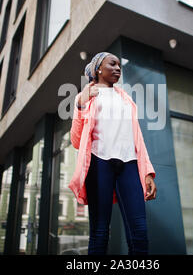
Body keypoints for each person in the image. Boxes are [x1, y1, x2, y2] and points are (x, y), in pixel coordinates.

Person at [68, 52, 157, 255]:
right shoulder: (86, 97)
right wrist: (81, 104)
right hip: (99, 163)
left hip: (129, 165)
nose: (118, 68)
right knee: (100, 232)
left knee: (140, 232)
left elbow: (137, 139)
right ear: (99, 68)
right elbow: (76, 140)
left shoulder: (126, 99)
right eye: (112, 64)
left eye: (119, 65)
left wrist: (147, 172)